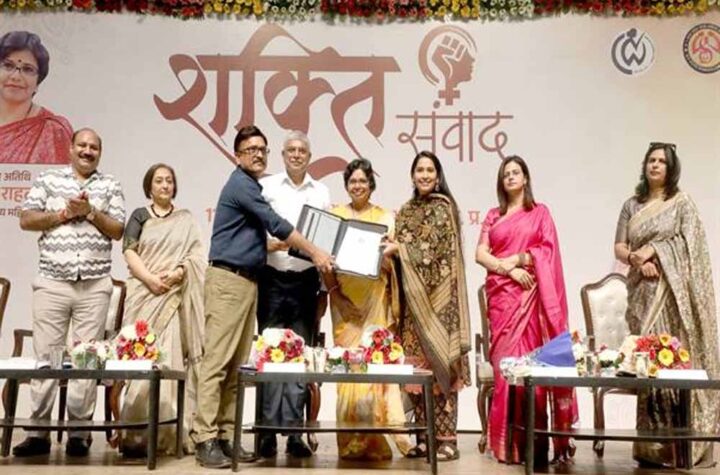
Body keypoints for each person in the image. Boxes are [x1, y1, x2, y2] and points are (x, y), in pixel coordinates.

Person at [190, 125, 334, 469]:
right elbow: (276, 222)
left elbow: (257, 236)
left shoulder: (253, 186)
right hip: (228, 280)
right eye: (250, 149)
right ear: (237, 155)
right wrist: (315, 251)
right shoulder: (242, 184)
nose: (257, 154)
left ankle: (226, 436)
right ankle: (204, 437)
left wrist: (281, 247)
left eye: (261, 149)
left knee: (237, 365)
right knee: (217, 362)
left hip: (249, 281)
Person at [14, 128, 125, 457]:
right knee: (47, 358)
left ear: (100, 153)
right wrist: (63, 214)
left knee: (85, 360)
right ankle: (38, 432)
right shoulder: (48, 180)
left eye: (94, 147)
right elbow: (26, 219)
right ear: (71, 149)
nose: (88, 151)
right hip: (53, 283)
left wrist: (89, 212)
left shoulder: (110, 185)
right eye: (82, 145)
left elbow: (118, 229)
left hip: (94, 285)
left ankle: (79, 432)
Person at [614, 142, 720, 468]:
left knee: (668, 361)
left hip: (672, 296)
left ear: (671, 168)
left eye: (662, 161)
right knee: (647, 363)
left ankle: (677, 446)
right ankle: (651, 447)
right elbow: (620, 247)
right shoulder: (632, 205)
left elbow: (691, 249)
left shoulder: (681, 203)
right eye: (651, 160)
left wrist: (657, 251)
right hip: (641, 294)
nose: (655, 165)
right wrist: (637, 258)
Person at [475, 155, 577, 465]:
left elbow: (547, 251)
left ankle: (535, 445)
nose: (510, 177)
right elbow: (480, 254)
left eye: (516, 172)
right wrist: (508, 269)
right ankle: (507, 446)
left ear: (525, 178)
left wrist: (520, 259)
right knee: (506, 369)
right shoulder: (493, 215)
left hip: (530, 298)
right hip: (502, 299)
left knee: (533, 368)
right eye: (505, 173)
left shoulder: (539, 213)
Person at [383, 151, 471, 462]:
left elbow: (438, 252)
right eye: (419, 170)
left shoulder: (445, 208)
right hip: (413, 306)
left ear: (438, 175)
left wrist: (400, 249)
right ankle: (423, 437)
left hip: (440, 305)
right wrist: (391, 251)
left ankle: (446, 441)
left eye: (429, 170)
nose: (424, 175)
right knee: (418, 373)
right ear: (412, 175)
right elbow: (400, 253)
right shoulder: (405, 211)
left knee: (441, 369)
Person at [324, 158, 412, 461]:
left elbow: (394, 260)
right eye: (353, 181)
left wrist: (387, 259)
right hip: (345, 303)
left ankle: (376, 441)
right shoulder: (335, 216)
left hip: (376, 299)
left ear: (371, 185)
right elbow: (323, 260)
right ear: (346, 185)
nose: (357, 186)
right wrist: (335, 294)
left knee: (375, 367)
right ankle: (351, 443)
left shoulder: (385, 218)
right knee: (348, 368)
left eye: (363, 181)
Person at [119, 163, 206, 457]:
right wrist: (150, 279)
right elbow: (129, 251)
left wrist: (180, 272)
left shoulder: (185, 219)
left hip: (173, 297)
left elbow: (196, 256)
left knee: (170, 360)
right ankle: (136, 435)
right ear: (149, 186)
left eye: (169, 180)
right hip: (144, 296)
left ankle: (170, 434)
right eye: (159, 181)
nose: (165, 185)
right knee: (141, 359)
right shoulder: (139, 216)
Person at [255, 131, 330, 459]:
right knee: (269, 356)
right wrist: (267, 245)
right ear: (282, 155)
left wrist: (324, 288)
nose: (297, 155)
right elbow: (253, 229)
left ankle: (295, 434)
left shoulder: (321, 192)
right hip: (271, 278)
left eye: (302, 151)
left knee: (299, 357)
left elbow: (324, 243)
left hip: (305, 282)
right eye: (291, 150)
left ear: (309, 157)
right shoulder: (267, 186)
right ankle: (266, 433)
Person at [0, 30, 72, 164]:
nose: (16, 76)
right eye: (8, 65)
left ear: (38, 82)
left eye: (28, 69)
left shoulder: (53, 131)